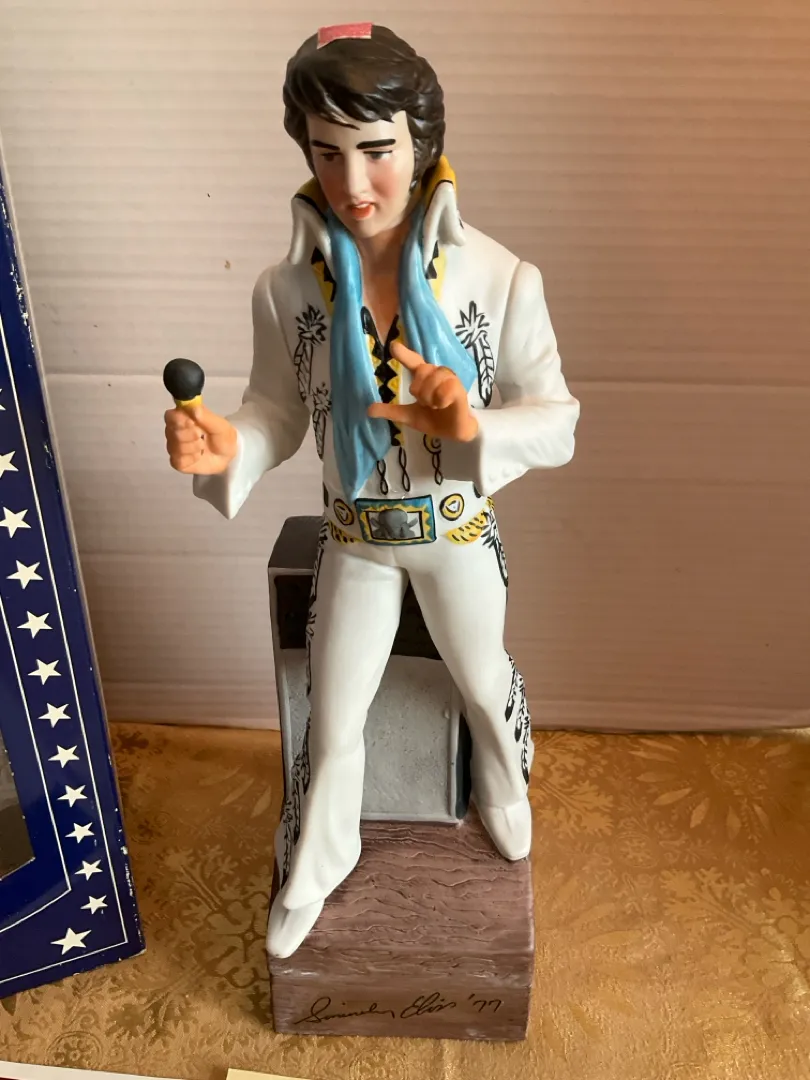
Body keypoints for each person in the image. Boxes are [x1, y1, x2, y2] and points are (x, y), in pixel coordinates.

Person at [164, 23, 580, 959]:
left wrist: (471, 425)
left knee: (482, 680)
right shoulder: (287, 291)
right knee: (335, 712)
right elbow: (277, 411)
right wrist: (226, 443)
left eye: (377, 150)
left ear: (422, 142)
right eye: (327, 152)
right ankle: (322, 855)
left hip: (455, 528)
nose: (352, 182)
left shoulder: (499, 277)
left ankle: (502, 777)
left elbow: (557, 418)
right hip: (354, 535)